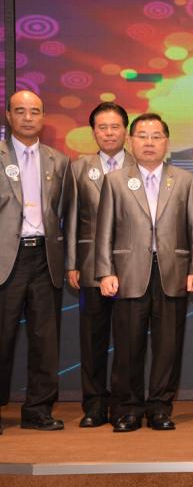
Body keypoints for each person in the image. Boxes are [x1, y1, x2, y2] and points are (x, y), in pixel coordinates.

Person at [94, 112, 193, 432]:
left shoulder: (184, 180)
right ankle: (128, 409)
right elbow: (104, 231)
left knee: (168, 346)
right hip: (128, 273)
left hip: (173, 272)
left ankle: (160, 407)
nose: (149, 142)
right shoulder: (115, 180)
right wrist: (105, 272)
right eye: (142, 136)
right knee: (128, 345)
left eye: (156, 136)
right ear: (131, 141)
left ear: (166, 142)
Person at [0, 90, 70, 433]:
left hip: (45, 257)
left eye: (35, 111)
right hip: (5, 260)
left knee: (45, 340)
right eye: (20, 111)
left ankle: (39, 409)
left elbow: (65, 212)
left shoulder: (58, 161)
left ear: (43, 117)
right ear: (8, 116)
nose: (28, 117)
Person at [65, 102, 134, 428]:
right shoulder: (80, 168)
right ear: (93, 132)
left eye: (115, 126)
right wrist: (72, 262)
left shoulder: (140, 166)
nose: (109, 133)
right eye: (102, 127)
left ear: (126, 131)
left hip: (131, 268)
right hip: (91, 266)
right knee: (93, 339)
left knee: (128, 341)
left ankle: (123, 404)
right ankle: (93, 405)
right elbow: (71, 220)